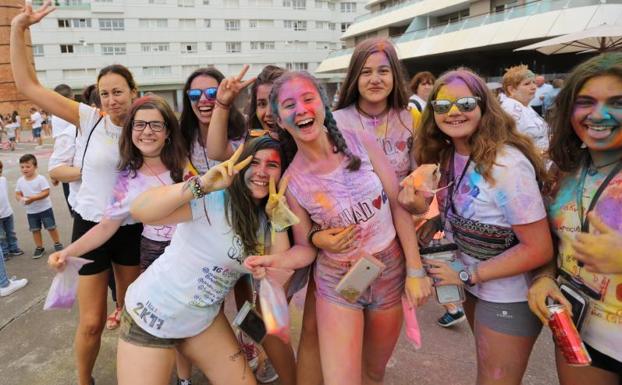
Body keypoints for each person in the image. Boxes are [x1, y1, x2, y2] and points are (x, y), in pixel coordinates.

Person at [246, 71, 431, 385]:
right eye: (289, 105)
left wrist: (415, 271)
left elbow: (397, 204)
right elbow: (305, 247)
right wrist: (274, 262)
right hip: (338, 284)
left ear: (322, 104)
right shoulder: (293, 182)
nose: (302, 109)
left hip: (388, 271)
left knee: (372, 373)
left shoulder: (359, 140)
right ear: (278, 118)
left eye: (308, 99)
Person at [11, 4, 143, 384]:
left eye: (118, 92)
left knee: (132, 313)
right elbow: (27, 86)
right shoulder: (89, 120)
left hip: (132, 228)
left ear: (133, 92)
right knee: (91, 323)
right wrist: (19, 29)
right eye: (105, 93)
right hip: (90, 227)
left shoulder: (148, 125)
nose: (112, 99)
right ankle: (84, 380)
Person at [109, 138, 287, 385]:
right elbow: (140, 210)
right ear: (241, 166)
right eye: (254, 162)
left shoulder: (270, 217)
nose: (261, 172)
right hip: (152, 314)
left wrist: (279, 219)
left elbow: (280, 273)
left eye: (272, 165)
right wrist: (202, 184)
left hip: (202, 320)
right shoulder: (214, 199)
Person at [414, 68, 553, 385]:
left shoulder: (507, 164)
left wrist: (466, 275)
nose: (453, 112)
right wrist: (436, 220)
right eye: (442, 105)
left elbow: (538, 247)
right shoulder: (450, 156)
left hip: (508, 295)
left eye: (465, 104)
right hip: (476, 290)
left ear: (483, 106)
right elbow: (476, 210)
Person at [528, 53, 622, 384]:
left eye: (617, 102)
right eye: (585, 102)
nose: (599, 114)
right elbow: (552, 244)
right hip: (581, 331)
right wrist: (544, 277)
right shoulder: (563, 172)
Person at [180, 67, 247, 174]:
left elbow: (217, 153)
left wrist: (222, 105)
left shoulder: (245, 130)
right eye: (194, 94)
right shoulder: (183, 135)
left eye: (212, 93)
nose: (203, 100)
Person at [15, 154, 63, 259]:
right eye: (22, 167)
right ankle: (39, 247)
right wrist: (21, 199)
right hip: (31, 211)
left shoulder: (40, 179)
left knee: (51, 227)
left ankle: (57, 243)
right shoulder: (20, 181)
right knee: (35, 230)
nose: (24, 169)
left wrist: (32, 198)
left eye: (28, 166)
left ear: (35, 166)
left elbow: (46, 192)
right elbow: (17, 193)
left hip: (45, 209)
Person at [500, 65, 550, 154]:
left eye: (534, 82)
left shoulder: (525, 106)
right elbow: (509, 146)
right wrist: (542, 153)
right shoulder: (511, 109)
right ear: (511, 89)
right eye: (527, 84)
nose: (534, 87)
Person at [49, 83, 78, 216]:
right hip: (74, 159)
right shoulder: (75, 111)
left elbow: (57, 142)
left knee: (70, 188)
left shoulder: (55, 116)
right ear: (72, 97)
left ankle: (74, 211)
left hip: (68, 160)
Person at [0, 160, 24, 259]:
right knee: (1, 236)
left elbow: (4, 195)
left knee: (11, 232)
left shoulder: (3, 180)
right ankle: (4, 252)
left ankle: (13, 248)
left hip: (7, 212)